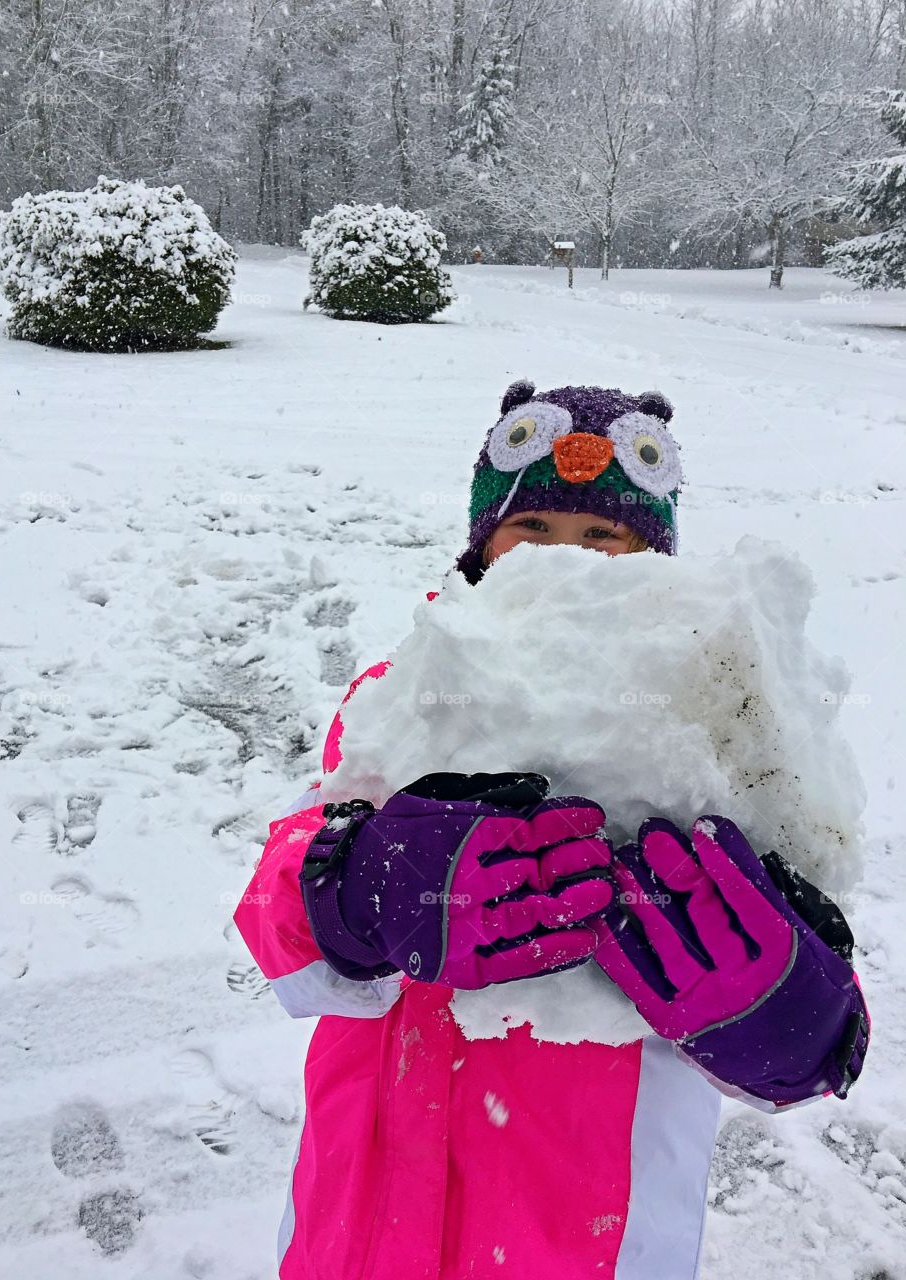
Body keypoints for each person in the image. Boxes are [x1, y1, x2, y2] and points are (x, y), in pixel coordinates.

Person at [233, 380, 870, 1280]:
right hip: (360, 1222)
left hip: (583, 1239)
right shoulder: (406, 691)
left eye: (606, 538)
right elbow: (274, 912)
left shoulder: (709, 725)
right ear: (482, 547)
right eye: (532, 530)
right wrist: (349, 889)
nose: (567, 562)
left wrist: (791, 1021)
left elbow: (804, 949)